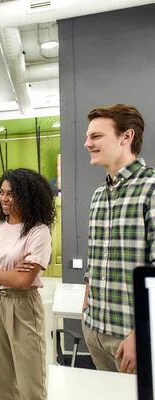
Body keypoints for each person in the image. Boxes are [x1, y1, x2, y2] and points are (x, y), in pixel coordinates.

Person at [82, 104, 153, 374]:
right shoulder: (99, 195)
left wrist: (142, 334)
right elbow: (95, 259)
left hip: (132, 337)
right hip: (96, 330)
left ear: (126, 137)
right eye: (89, 137)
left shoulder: (151, 189)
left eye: (96, 136)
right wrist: (87, 308)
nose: (87, 143)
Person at [0, 168, 55, 400]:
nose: (4, 198)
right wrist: (6, 274)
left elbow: (23, 281)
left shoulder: (39, 232)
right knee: (3, 379)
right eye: (2, 193)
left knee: (31, 381)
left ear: (27, 196)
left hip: (24, 306)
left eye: (11, 194)